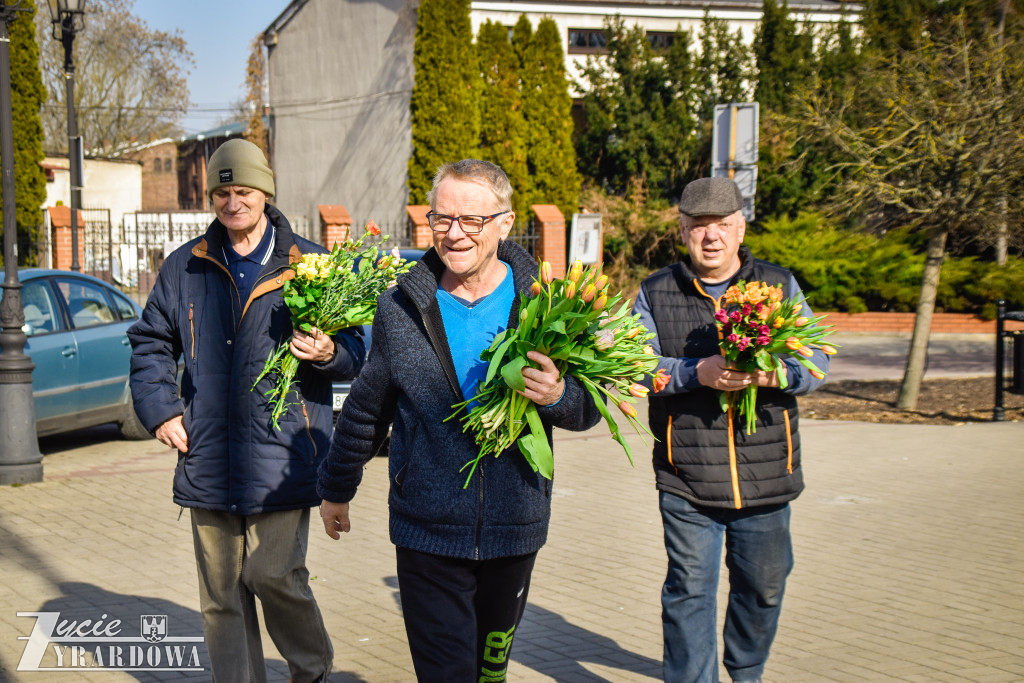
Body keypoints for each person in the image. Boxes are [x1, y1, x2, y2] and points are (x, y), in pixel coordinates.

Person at [317, 159, 601, 682]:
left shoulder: (544, 305)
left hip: (514, 526)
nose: (453, 233)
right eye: (441, 218)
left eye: (471, 220)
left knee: (489, 675)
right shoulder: (402, 307)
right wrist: (337, 488)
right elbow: (367, 406)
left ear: (505, 223)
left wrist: (558, 394)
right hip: (426, 528)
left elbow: (587, 411)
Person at [128, 139, 364, 683]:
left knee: (273, 573)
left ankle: (312, 668)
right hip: (206, 451)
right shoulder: (186, 266)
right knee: (221, 595)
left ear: (265, 194)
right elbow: (150, 343)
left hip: (285, 453)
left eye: (244, 192)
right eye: (222, 193)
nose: (233, 203)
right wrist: (162, 410)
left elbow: (356, 350)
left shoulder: (309, 264)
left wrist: (329, 352)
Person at [632, 177, 829, 683]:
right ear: (682, 231)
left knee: (763, 587)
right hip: (687, 479)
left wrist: (771, 373)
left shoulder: (778, 285)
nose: (711, 237)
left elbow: (817, 362)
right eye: (699, 227)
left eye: (722, 225)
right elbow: (635, 367)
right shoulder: (655, 291)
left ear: (741, 229)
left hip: (767, 477)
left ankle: (746, 672)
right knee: (689, 591)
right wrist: (695, 373)